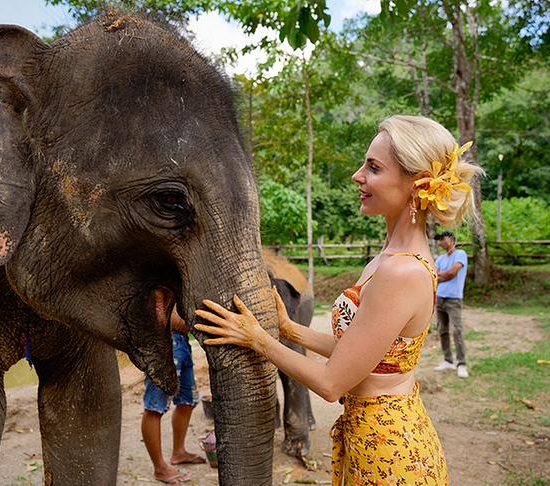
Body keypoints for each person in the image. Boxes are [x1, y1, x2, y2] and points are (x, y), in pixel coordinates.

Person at [193, 114, 482, 485]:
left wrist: (258, 340)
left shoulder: (401, 271)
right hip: (375, 437)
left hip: (390, 453)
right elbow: (361, 353)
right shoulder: (389, 258)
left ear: (417, 184)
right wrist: (289, 330)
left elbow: (331, 383)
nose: (357, 176)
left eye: (373, 168)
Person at [141, 308, 206, 484]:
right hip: (163, 341)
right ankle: (159, 468)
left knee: (187, 401)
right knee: (155, 407)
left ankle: (179, 452)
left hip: (183, 342)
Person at [432, 230, 470, 378]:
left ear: (452, 239)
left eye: (443, 239)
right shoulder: (440, 258)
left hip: (454, 299)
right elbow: (434, 276)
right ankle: (448, 360)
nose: (441, 242)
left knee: (457, 331)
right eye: (439, 240)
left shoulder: (460, 254)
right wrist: (443, 275)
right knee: (442, 330)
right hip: (440, 298)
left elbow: (452, 273)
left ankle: (462, 364)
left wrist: (441, 275)